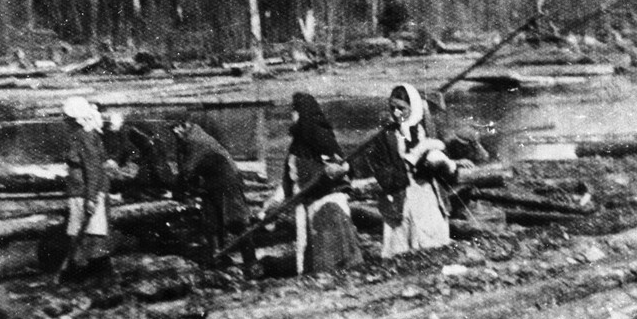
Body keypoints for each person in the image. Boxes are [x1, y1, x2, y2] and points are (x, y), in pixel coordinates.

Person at [261, 93, 363, 275]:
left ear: (303, 113)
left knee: (333, 254)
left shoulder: (321, 137)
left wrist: (337, 171)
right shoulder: (296, 147)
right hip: (306, 205)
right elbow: (289, 180)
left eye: (295, 112)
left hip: (328, 204)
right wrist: (273, 203)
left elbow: (345, 166)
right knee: (310, 253)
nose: (292, 117)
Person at [363, 83, 466, 258]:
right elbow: (384, 177)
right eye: (392, 108)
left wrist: (448, 164)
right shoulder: (384, 138)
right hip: (399, 200)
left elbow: (444, 170)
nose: (396, 113)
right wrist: (412, 159)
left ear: (414, 107)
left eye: (402, 108)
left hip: (427, 197)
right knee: (400, 254)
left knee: (433, 249)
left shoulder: (425, 130)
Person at [173, 120, 261, 276]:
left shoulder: (196, 140)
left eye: (177, 129)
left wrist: (178, 190)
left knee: (237, 222)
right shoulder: (189, 140)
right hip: (212, 184)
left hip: (228, 183)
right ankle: (219, 258)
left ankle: (251, 263)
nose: (175, 133)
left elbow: (187, 169)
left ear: (185, 126)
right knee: (211, 223)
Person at [60, 96, 115, 284]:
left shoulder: (85, 136)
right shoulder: (80, 135)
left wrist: (90, 198)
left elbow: (93, 169)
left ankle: (98, 276)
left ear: (74, 118)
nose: (63, 120)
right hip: (79, 191)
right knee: (82, 234)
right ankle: (86, 274)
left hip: (86, 191)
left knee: (94, 234)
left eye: (66, 116)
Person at [104, 113, 174, 201]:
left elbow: (125, 148)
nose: (111, 127)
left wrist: (117, 161)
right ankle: (167, 191)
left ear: (117, 123)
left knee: (144, 176)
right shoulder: (128, 127)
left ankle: (124, 196)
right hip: (155, 148)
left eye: (112, 125)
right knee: (156, 173)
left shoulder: (123, 130)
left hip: (151, 151)